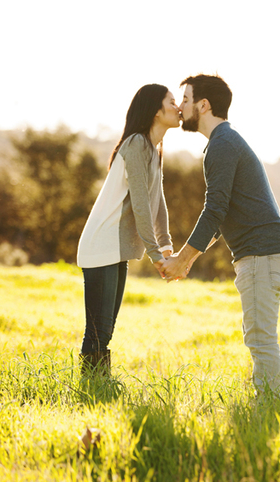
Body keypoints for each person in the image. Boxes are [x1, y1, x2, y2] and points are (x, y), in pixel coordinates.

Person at [161, 74, 280, 395]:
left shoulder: (222, 145)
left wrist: (182, 259)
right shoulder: (222, 143)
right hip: (261, 251)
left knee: (260, 338)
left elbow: (214, 210)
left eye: (186, 100)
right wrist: (188, 259)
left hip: (262, 251)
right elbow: (220, 220)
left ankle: (268, 410)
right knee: (258, 335)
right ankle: (267, 404)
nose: (180, 108)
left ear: (203, 105)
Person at [76, 84, 180, 377]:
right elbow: (140, 203)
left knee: (105, 328)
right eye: (172, 102)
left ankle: (98, 384)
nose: (179, 108)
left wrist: (166, 243)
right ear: (156, 110)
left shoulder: (153, 149)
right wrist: (154, 253)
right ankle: (93, 387)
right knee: (98, 330)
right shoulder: (136, 144)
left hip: (115, 247)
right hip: (101, 245)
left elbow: (157, 201)